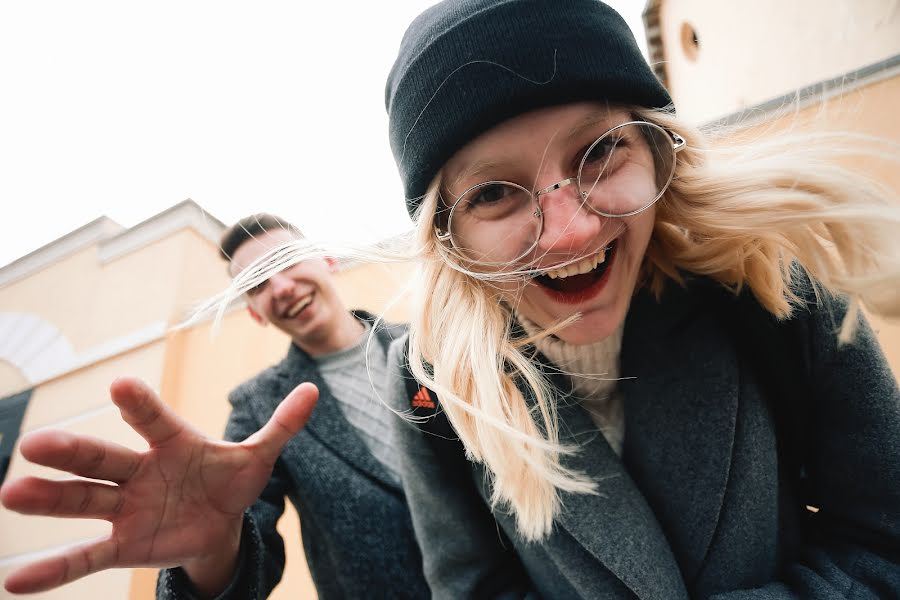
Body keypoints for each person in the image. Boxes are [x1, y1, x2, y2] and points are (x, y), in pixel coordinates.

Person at [374, 1, 900, 598]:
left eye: (599, 152)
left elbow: (883, 543)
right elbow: (472, 587)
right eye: (493, 192)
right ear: (448, 237)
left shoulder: (773, 283)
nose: (570, 231)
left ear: (657, 153)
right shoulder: (431, 383)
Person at [0, 214, 429, 599]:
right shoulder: (258, 405)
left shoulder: (434, 344)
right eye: (257, 284)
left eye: (286, 261)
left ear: (327, 260)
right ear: (256, 312)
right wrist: (212, 552)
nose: (280, 287)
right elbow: (245, 540)